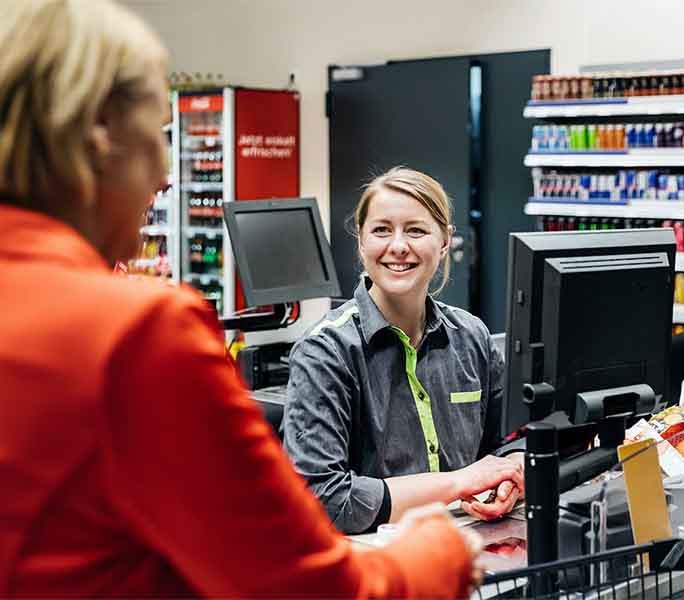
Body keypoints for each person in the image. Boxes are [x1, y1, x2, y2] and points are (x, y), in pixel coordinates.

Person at [0, 1, 483, 597]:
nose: (165, 176)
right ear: (99, 140)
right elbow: (301, 585)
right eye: (156, 135)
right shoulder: (135, 332)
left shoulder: (470, 336)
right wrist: (440, 550)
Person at [283, 167, 524, 535]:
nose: (398, 246)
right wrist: (460, 482)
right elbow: (321, 499)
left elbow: (511, 441)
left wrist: (512, 476)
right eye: (381, 230)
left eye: (415, 230)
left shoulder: (472, 337)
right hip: (371, 571)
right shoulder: (325, 353)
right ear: (361, 242)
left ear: (444, 241)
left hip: (469, 553)